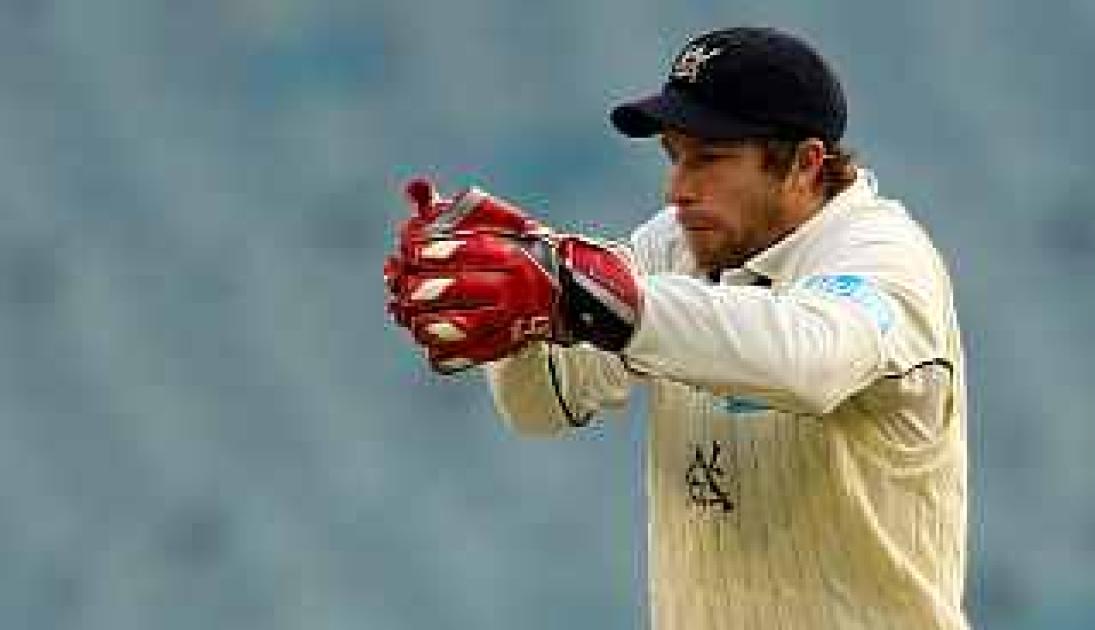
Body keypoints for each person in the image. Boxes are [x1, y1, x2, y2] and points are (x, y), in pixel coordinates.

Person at [386, 26, 971, 630]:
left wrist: (585, 292)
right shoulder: (681, 242)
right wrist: (521, 321)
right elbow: (544, 404)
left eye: (709, 159)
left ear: (805, 164)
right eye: (674, 156)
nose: (678, 189)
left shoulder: (885, 258)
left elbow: (811, 362)